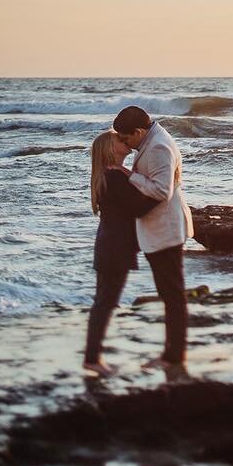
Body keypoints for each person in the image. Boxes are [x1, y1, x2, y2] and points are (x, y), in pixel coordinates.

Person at [113, 105, 195, 368]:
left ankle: (174, 356)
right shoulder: (154, 140)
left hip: (166, 227)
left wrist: (130, 175)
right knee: (169, 292)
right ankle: (172, 354)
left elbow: (162, 191)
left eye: (126, 138)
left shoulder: (159, 146)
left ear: (138, 131)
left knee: (172, 293)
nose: (126, 144)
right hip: (161, 226)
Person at [84, 130, 160, 375]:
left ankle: (93, 357)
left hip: (108, 244)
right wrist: (166, 190)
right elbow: (139, 208)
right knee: (106, 302)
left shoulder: (110, 175)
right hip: (115, 246)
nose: (125, 141)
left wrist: (136, 177)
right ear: (110, 148)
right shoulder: (115, 177)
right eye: (119, 139)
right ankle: (93, 359)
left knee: (103, 301)